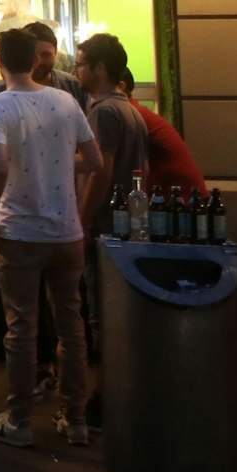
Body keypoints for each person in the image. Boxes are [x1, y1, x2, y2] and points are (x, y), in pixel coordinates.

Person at [0, 29, 101, 448]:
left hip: (20, 231)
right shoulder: (65, 101)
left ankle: (19, 420)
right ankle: (76, 418)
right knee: (71, 325)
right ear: (35, 60)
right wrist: (59, 167)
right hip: (67, 231)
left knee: (22, 327)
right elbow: (94, 160)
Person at [73, 33, 148, 369]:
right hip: (127, 224)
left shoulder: (103, 112)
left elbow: (100, 171)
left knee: (100, 310)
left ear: (99, 68)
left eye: (80, 64)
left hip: (104, 225)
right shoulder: (130, 110)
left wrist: (83, 221)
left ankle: (106, 389)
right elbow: (142, 171)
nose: (75, 71)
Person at [117, 69, 206, 195]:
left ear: (121, 87)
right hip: (178, 194)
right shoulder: (135, 112)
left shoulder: (129, 115)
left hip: (179, 198)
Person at [0, 22, 84, 108]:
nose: (39, 62)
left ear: (56, 52)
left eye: (46, 55)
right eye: (33, 55)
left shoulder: (74, 86)